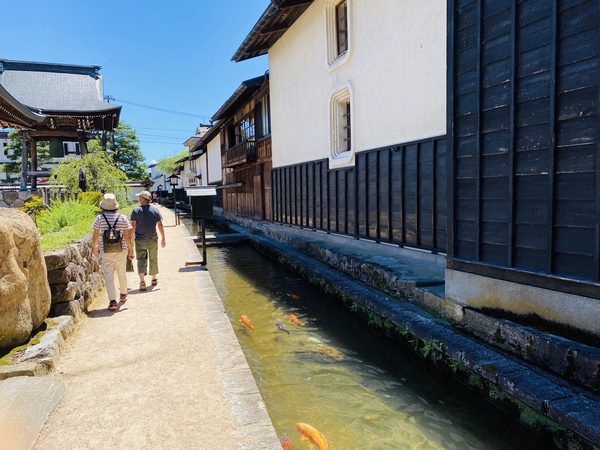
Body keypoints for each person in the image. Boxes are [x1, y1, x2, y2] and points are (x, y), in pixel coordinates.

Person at [91, 193, 135, 311]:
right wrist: (131, 250)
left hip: (105, 250)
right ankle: (123, 294)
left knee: (109, 275)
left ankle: (112, 301)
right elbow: (127, 237)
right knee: (121, 272)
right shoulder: (122, 218)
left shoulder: (99, 218)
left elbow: (95, 236)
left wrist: (94, 247)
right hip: (121, 249)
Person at [130, 190, 166, 291]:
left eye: (139, 197)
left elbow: (133, 226)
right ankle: (154, 278)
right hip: (152, 238)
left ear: (143, 199)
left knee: (141, 259)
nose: (138, 199)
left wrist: (130, 238)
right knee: (153, 257)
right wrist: (163, 237)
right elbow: (160, 225)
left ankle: (142, 281)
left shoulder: (136, 211)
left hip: (140, 239)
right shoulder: (155, 210)